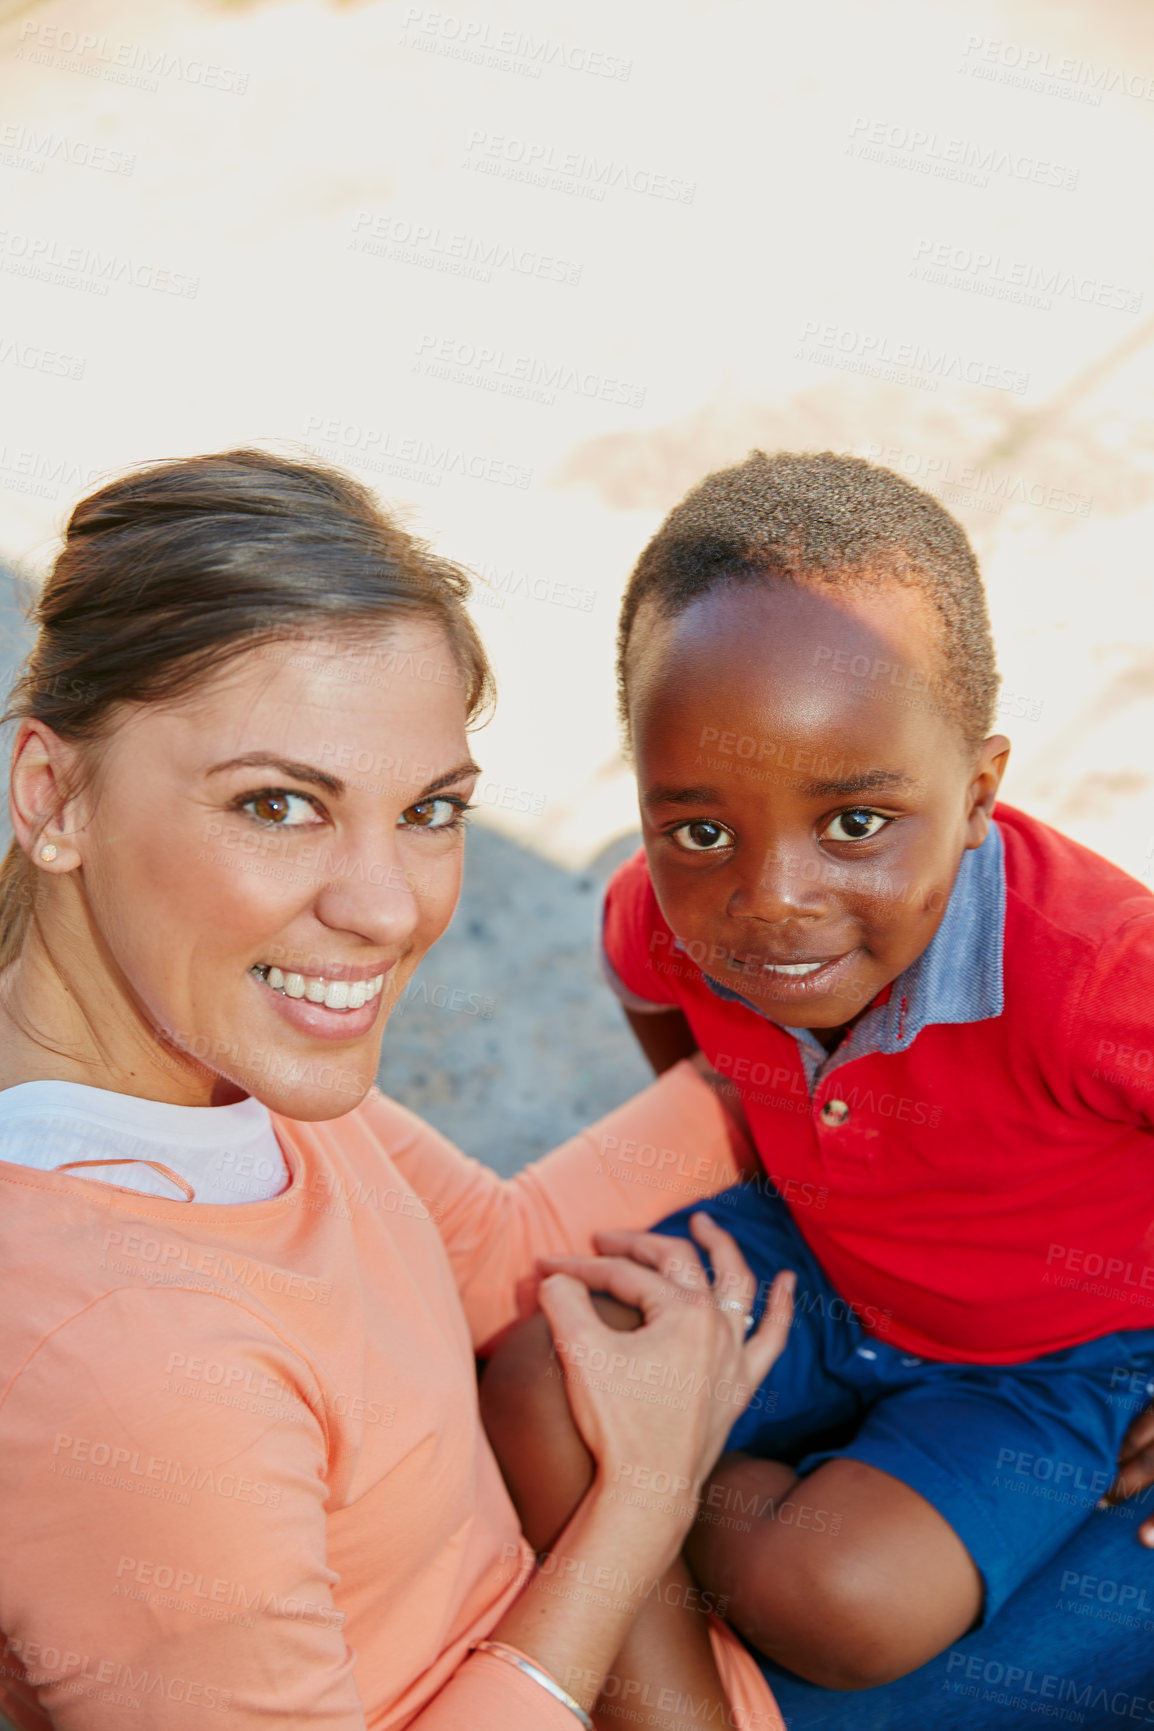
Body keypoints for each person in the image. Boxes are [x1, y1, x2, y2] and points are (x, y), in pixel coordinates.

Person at [0, 450, 795, 1731]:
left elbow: (501, 1255)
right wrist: (642, 1502)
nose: (386, 909)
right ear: (54, 797)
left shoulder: (218, 1065)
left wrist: (811, 1056)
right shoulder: (120, 1370)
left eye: (430, 810)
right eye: (276, 804)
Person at [482, 450, 1154, 1700]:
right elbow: (652, 986)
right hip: (817, 1263)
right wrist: (765, 1117)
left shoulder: (1099, 969)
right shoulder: (668, 920)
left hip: (1052, 1353)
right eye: (699, 829)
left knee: (837, 1604)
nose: (771, 900)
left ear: (976, 794)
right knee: (541, 1377)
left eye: (853, 823)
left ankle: (691, 1500)